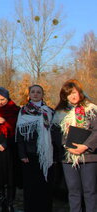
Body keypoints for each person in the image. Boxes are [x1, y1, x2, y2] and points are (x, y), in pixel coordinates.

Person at [53, 79, 97, 212]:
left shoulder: (91, 109)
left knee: (90, 191)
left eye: (74, 92)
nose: (72, 96)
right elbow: (55, 133)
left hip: (88, 156)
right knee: (73, 191)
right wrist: (66, 145)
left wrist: (85, 146)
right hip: (68, 158)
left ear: (80, 93)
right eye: (68, 94)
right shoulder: (60, 113)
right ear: (64, 96)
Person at [16, 84, 55, 212]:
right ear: (29, 95)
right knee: (30, 187)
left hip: (46, 155)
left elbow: (54, 133)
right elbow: (19, 135)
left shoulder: (49, 111)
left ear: (42, 95)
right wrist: (22, 154)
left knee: (44, 187)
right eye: (33, 92)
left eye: (39, 92)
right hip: (29, 155)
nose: (36, 94)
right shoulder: (23, 111)